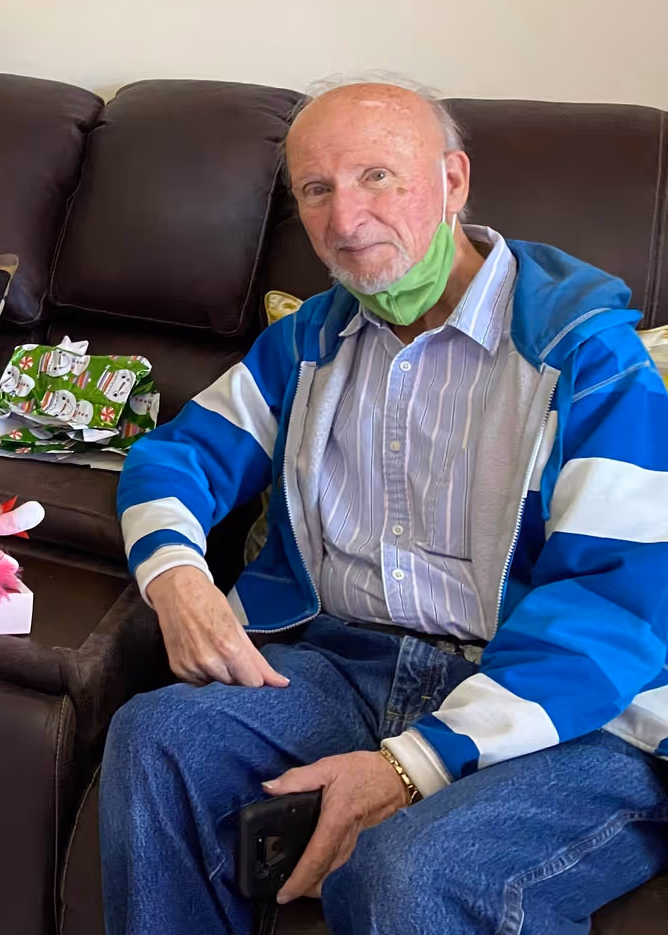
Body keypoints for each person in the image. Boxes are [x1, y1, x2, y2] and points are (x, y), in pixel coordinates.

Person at [101, 79, 668, 934]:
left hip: (573, 710)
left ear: (453, 181)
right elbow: (177, 457)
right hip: (352, 667)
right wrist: (175, 576)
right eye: (316, 189)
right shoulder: (307, 341)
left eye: (377, 176)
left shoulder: (587, 357)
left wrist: (413, 765)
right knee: (157, 738)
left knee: (410, 871)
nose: (344, 219)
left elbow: (613, 603)